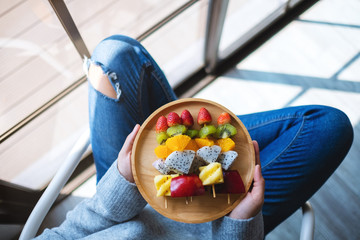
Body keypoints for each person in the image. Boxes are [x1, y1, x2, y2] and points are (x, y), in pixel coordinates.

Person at [36, 35, 353, 239]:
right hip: (213, 223)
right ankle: (189, 146)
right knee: (328, 126)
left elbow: (68, 234)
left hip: (120, 208)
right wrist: (241, 224)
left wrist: (122, 181)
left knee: (114, 56)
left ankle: (184, 146)